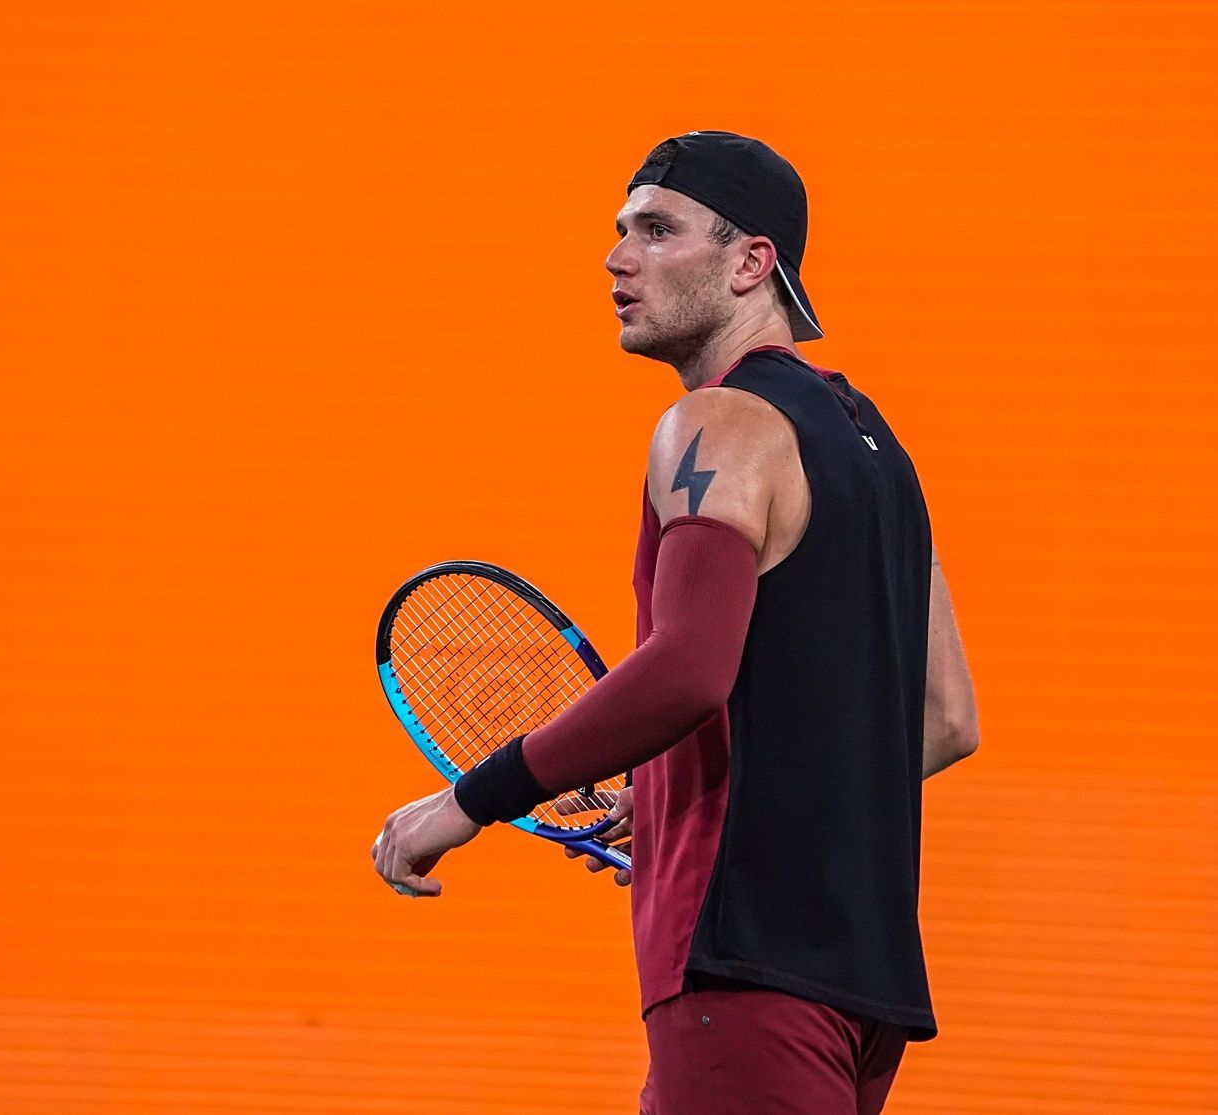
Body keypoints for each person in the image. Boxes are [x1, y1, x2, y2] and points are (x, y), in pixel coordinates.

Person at [370, 130, 979, 1114]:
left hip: (743, 974)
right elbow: (946, 716)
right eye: (618, 232)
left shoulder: (712, 425)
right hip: (864, 991)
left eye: (657, 230)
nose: (617, 258)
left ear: (752, 262)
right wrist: (675, 789)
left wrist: (466, 802)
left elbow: (688, 671)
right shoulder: (882, 453)